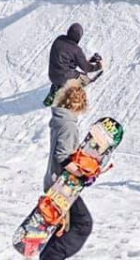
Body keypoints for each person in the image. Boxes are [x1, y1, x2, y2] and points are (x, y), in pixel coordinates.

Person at [41, 81, 93, 260]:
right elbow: (62, 156)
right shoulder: (68, 126)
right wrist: (82, 175)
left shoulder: (59, 120)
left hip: (54, 181)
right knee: (82, 224)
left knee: (64, 226)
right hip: (62, 186)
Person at [43, 23, 104, 107]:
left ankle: (55, 90)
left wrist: (84, 61)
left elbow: (67, 59)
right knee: (83, 79)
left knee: (62, 74)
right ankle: (66, 90)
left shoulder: (59, 39)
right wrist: (99, 66)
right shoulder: (76, 50)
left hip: (52, 75)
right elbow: (86, 68)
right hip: (64, 77)